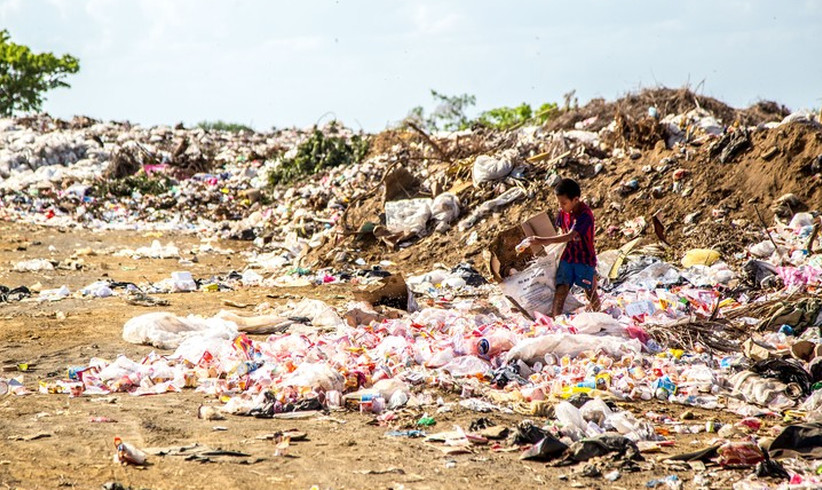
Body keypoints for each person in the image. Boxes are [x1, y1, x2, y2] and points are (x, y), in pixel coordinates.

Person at [517, 178, 600, 316]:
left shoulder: (585, 215)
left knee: (589, 290)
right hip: (567, 257)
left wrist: (540, 240)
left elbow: (569, 236)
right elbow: (561, 232)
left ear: (575, 199)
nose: (561, 206)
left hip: (584, 258)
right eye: (559, 203)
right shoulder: (563, 212)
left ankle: (600, 316)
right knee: (561, 288)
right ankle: (557, 321)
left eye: (564, 203)